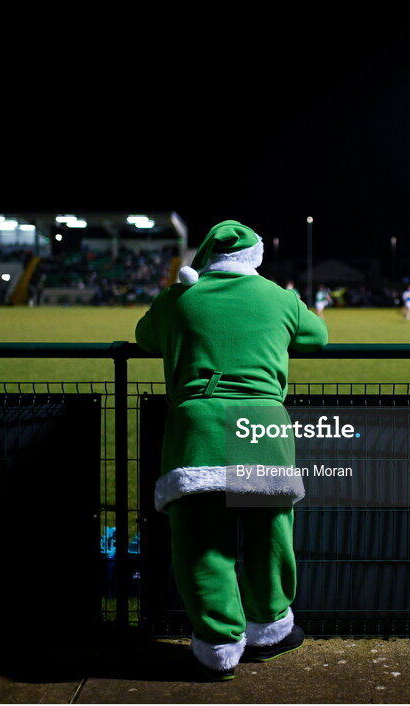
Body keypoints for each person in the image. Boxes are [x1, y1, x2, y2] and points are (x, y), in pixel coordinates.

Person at [135, 220, 328, 681]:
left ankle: (217, 646)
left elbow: (145, 337)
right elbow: (317, 337)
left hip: (197, 427)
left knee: (201, 543)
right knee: (269, 534)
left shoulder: (177, 298)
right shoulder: (279, 297)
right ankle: (271, 630)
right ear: (255, 258)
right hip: (261, 426)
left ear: (204, 258)